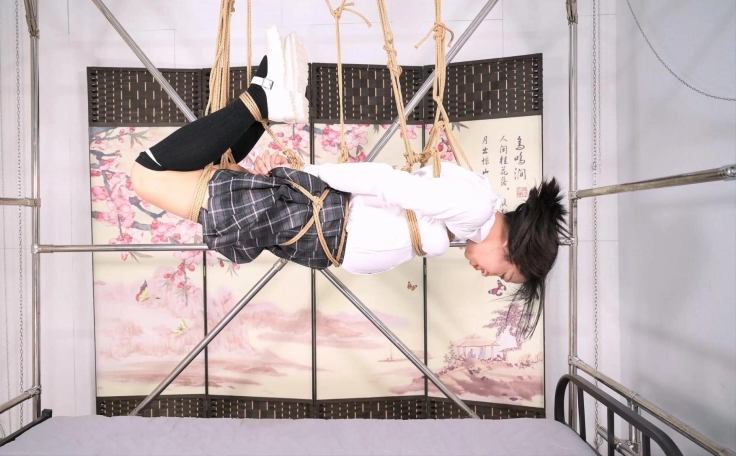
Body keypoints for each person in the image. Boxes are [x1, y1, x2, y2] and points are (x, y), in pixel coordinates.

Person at [130, 27, 568, 338]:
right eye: (504, 273)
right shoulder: (475, 208)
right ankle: (262, 98)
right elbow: (383, 181)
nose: (488, 274)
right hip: (314, 219)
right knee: (147, 175)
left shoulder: (470, 217)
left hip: (313, 233)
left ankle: (265, 95)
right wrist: (305, 177)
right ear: (510, 247)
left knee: (208, 171)